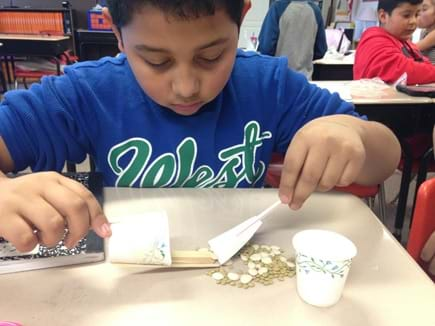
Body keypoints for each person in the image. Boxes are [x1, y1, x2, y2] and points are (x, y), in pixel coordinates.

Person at [0, 0, 400, 253]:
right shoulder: (87, 93)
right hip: (131, 284)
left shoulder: (268, 86)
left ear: (241, 18)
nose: (187, 86)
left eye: (211, 56)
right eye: (157, 62)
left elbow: (386, 159)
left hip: (239, 277)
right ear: (117, 33)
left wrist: (356, 134)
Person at [354, 0, 435, 84]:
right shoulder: (373, 39)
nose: (413, 21)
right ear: (383, 16)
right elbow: (402, 70)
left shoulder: (405, 43)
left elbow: (424, 63)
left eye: (416, 15)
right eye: (406, 15)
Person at [257, 0, 327, 79]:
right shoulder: (315, 11)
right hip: (305, 80)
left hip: (280, 78)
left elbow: (266, 47)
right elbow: (321, 50)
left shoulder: (278, 8)